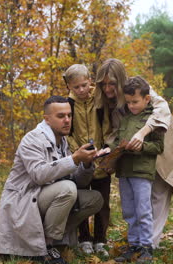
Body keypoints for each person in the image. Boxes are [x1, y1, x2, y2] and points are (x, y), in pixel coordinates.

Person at [94, 58, 173, 249]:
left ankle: (150, 243)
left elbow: (162, 108)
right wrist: (110, 148)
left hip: (159, 136)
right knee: (140, 198)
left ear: (120, 80)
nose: (107, 88)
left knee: (159, 189)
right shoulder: (107, 100)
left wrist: (142, 133)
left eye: (112, 83)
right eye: (103, 84)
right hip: (133, 151)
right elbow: (115, 130)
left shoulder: (138, 88)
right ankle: (141, 241)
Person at [0, 96, 104, 264]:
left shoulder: (62, 142)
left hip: (46, 197)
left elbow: (78, 182)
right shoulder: (32, 139)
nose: (67, 120)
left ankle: (53, 240)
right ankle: (43, 247)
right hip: (24, 201)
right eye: (61, 116)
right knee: (67, 189)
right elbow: (39, 175)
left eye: (69, 115)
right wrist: (74, 159)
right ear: (47, 119)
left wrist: (87, 164)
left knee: (95, 198)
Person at [106, 76, 165, 263]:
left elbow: (158, 147)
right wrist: (109, 150)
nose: (131, 105)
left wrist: (141, 147)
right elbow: (117, 141)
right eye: (129, 102)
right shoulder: (125, 119)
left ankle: (147, 247)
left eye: (135, 102)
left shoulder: (152, 120)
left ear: (146, 99)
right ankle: (133, 245)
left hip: (142, 172)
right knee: (129, 210)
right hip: (124, 172)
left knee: (143, 209)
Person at [63, 64, 112, 257]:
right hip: (81, 162)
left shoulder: (99, 101)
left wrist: (106, 149)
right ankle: (84, 238)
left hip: (101, 161)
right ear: (69, 87)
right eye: (76, 87)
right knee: (81, 201)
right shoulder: (69, 105)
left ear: (90, 81)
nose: (81, 90)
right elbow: (68, 133)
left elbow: (108, 126)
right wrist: (78, 152)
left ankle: (100, 239)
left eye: (84, 85)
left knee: (103, 201)